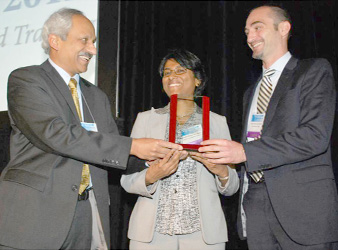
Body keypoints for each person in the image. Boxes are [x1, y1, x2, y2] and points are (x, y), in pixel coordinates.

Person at [0, 8, 182, 250]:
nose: (93, 50)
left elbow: (112, 152)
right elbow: (56, 134)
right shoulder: (27, 80)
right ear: (55, 40)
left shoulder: (96, 96)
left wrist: (156, 158)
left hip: (87, 217)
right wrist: (136, 145)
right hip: (35, 216)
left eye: (94, 42)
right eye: (84, 40)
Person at [198, 5, 338, 250]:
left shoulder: (313, 71)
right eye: (246, 32)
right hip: (255, 205)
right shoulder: (251, 92)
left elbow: (315, 136)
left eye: (257, 27)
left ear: (283, 28)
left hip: (303, 210)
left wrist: (245, 153)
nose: (250, 37)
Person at [120, 49, 239, 250]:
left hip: (203, 236)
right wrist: (152, 175)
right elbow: (127, 180)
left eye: (180, 70)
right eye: (167, 73)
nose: (172, 76)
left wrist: (221, 171)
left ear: (198, 80)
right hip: (151, 235)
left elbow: (233, 186)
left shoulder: (217, 123)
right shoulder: (146, 120)